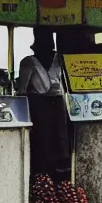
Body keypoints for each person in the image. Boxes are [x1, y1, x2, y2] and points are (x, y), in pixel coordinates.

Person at [18, 28, 70, 176]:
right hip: (40, 104)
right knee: (46, 140)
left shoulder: (57, 59)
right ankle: (46, 175)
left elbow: (22, 89)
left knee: (53, 140)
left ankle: (52, 175)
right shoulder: (30, 62)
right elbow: (22, 90)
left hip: (50, 103)